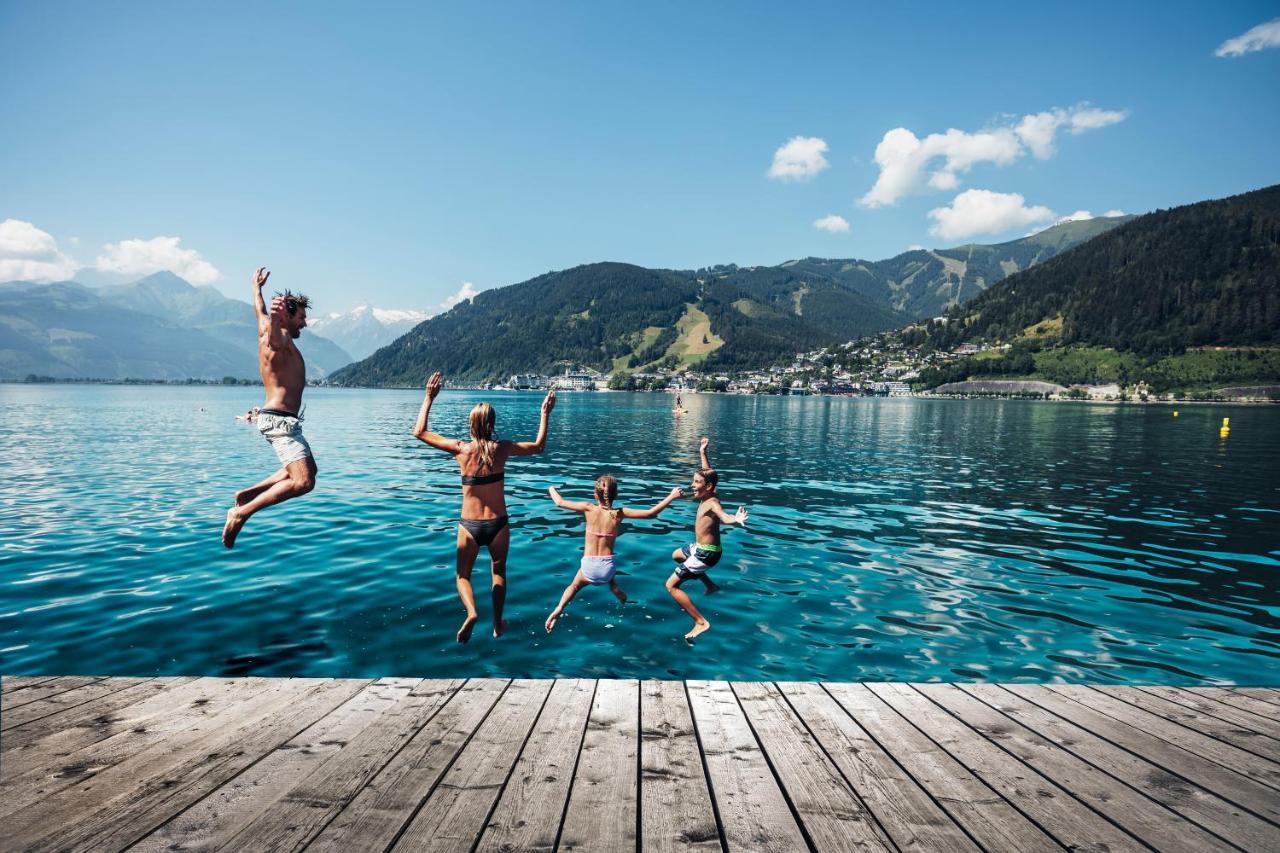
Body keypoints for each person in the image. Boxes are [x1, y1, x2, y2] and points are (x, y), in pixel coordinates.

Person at [414, 371, 556, 642]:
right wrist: (545, 413)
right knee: (498, 572)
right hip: (498, 524)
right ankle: (497, 623)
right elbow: (538, 447)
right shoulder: (502, 449)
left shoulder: (460, 450)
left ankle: (471, 612)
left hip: (469, 526)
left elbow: (419, 432)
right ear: (492, 424)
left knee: (462, 575)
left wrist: (428, 398)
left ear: (471, 424)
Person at [222, 268, 316, 548]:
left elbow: (259, 311)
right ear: (287, 316)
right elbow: (275, 338)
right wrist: (277, 320)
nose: (305, 324)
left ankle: (246, 495)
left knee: (308, 469)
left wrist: (256, 289)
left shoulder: (266, 325)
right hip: (279, 422)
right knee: (303, 482)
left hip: (282, 420)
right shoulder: (279, 337)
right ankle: (241, 513)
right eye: (302, 318)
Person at [544, 476, 683, 633]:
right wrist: (672, 496)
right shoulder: (619, 513)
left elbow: (559, 502)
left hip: (588, 566)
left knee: (574, 586)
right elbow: (650, 513)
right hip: (607, 568)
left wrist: (551, 490)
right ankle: (613, 586)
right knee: (607, 566)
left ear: (595, 495)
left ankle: (558, 609)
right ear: (616, 495)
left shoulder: (588, 508)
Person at [666, 436, 747, 640]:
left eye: (696, 482)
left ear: (708, 486)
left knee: (671, 586)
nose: (692, 485)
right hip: (702, 549)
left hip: (705, 555)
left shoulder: (712, 503)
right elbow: (708, 474)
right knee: (676, 555)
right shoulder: (710, 494)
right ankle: (710, 586)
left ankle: (700, 622)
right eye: (693, 481)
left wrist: (735, 519)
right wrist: (703, 452)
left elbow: (724, 516)